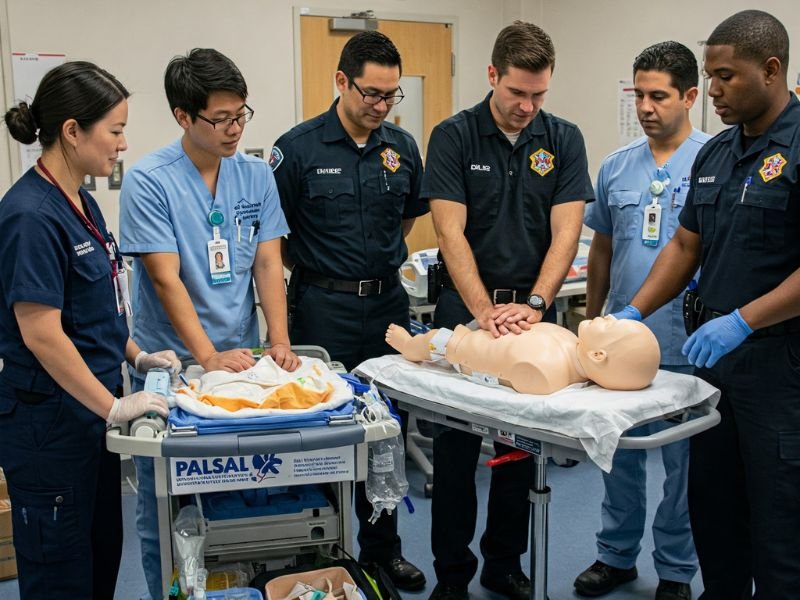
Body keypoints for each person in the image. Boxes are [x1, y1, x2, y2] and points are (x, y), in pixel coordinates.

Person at [614, 10, 800, 599]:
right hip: (714, 367)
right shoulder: (718, 153)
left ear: (771, 71)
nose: (713, 90)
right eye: (710, 76)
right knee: (714, 514)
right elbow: (687, 243)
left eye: (726, 77)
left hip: (780, 369)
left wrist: (745, 319)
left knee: (779, 527)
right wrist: (633, 312)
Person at [420, 21, 593, 600]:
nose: (528, 106)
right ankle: (453, 574)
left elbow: (566, 230)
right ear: (492, 75)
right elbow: (450, 231)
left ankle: (503, 561)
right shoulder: (454, 135)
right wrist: (480, 310)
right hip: (465, 309)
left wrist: (538, 305)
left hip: (531, 312)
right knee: (455, 447)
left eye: (539, 94)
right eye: (517, 92)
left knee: (521, 446)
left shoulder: (563, 138)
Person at [119, 48, 299, 600]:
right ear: (182, 116)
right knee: (169, 503)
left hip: (242, 360)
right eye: (220, 119)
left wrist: (279, 341)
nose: (234, 129)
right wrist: (205, 356)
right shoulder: (151, 180)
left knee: (249, 489)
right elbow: (166, 278)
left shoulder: (253, 174)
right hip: (171, 366)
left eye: (241, 115)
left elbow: (268, 262)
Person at [0, 62, 179, 599]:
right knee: (62, 577)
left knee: (101, 559)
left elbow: (95, 309)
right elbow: (42, 334)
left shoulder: (83, 201)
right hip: (49, 427)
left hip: (90, 414)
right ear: (72, 130)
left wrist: (137, 355)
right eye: (116, 130)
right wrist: (113, 406)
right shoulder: (30, 216)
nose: (123, 144)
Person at [270, 31, 427, 591]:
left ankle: (383, 552)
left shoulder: (402, 148)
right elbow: (275, 240)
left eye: (391, 95)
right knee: (323, 431)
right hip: (322, 308)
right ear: (341, 82)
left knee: (385, 432)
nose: (381, 106)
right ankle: (321, 554)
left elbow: (406, 220)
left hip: (386, 304)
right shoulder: (297, 149)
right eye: (371, 93)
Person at [575, 41, 710, 600]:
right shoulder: (616, 166)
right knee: (618, 457)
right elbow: (602, 248)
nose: (647, 107)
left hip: (689, 340)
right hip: (622, 341)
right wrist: (592, 319)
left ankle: (676, 569)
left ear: (691, 97)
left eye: (659, 96)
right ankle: (616, 556)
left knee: (685, 469)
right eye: (639, 95)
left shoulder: (715, 159)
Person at [385, 316, 660, 393]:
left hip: (460, 349)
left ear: (599, 355)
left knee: (433, 339)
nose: (609, 316)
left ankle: (410, 345)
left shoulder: (546, 374)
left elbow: (491, 365)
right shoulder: (572, 342)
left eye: (612, 325)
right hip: (486, 327)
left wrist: (460, 346)